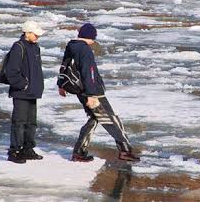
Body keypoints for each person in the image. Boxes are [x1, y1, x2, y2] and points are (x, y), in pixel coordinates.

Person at [58, 23, 140, 162]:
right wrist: (91, 95)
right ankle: (125, 150)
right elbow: (88, 72)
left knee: (95, 118)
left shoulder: (72, 46)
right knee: (111, 119)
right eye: (94, 38)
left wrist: (61, 84)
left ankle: (79, 152)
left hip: (80, 90)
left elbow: (64, 66)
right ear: (90, 37)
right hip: (92, 92)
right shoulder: (85, 50)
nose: (94, 41)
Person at [6, 20, 45, 164]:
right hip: (21, 93)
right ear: (27, 33)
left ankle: (27, 149)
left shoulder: (35, 47)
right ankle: (14, 151)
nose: (37, 37)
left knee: (31, 123)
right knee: (19, 122)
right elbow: (11, 71)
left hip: (32, 92)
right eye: (35, 34)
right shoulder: (18, 47)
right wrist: (23, 85)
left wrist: (35, 87)